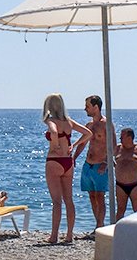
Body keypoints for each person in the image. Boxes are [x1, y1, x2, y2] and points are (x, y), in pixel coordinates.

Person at [42, 93, 92, 244]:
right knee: (69, 200)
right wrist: (73, 145)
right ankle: (69, 235)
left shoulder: (50, 120)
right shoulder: (69, 122)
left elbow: (54, 132)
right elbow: (88, 133)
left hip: (55, 161)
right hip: (68, 161)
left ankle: (54, 236)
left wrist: (55, 145)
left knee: (57, 201)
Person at [73, 95, 113, 231]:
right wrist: (74, 157)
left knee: (100, 196)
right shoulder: (89, 125)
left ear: (96, 107)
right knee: (92, 196)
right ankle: (98, 224)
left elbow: (113, 145)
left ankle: (100, 226)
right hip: (88, 165)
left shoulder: (106, 124)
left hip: (100, 165)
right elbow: (83, 143)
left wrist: (106, 163)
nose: (85, 109)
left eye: (87, 106)